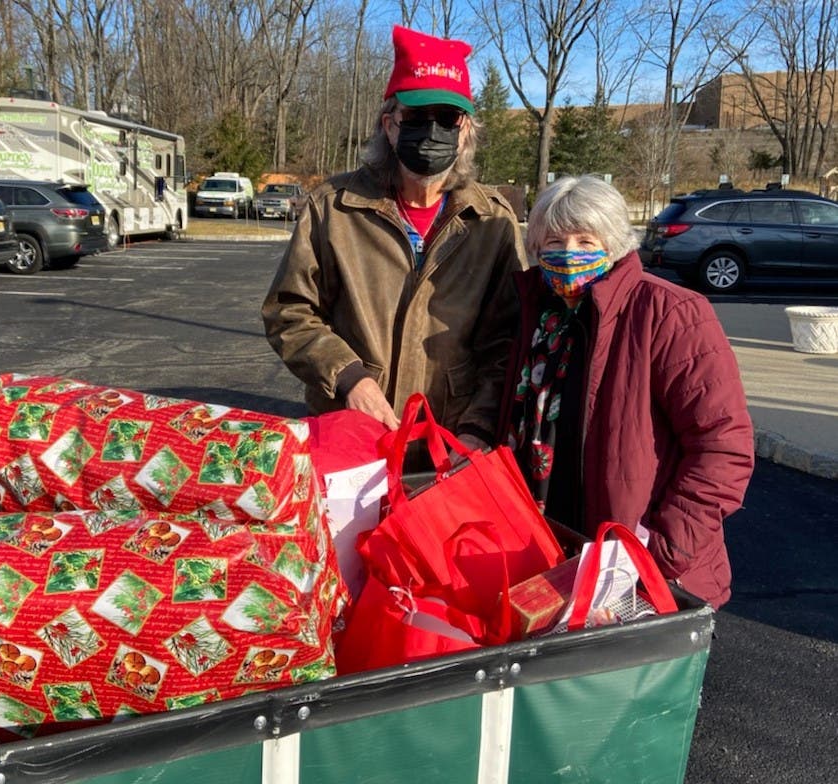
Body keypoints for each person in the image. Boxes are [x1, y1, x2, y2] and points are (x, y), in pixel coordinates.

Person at [262, 24, 526, 448]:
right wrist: (347, 376)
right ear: (389, 125)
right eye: (417, 118)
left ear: (465, 132)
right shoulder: (334, 207)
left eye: (447, 118)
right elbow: (288, 312)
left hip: (448, 440)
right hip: (350, 431)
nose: (432, 131)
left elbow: (507, 343)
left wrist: (478, 427)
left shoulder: (492, 222)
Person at [497, 175, 754, 609]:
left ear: (615, 243)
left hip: (641, 572)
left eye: (585, 239)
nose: (568, 253)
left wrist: (661, 549)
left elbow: (723, 447)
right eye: (555, 241)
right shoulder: (538, 316)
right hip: (551, 556)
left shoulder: (668, 312)